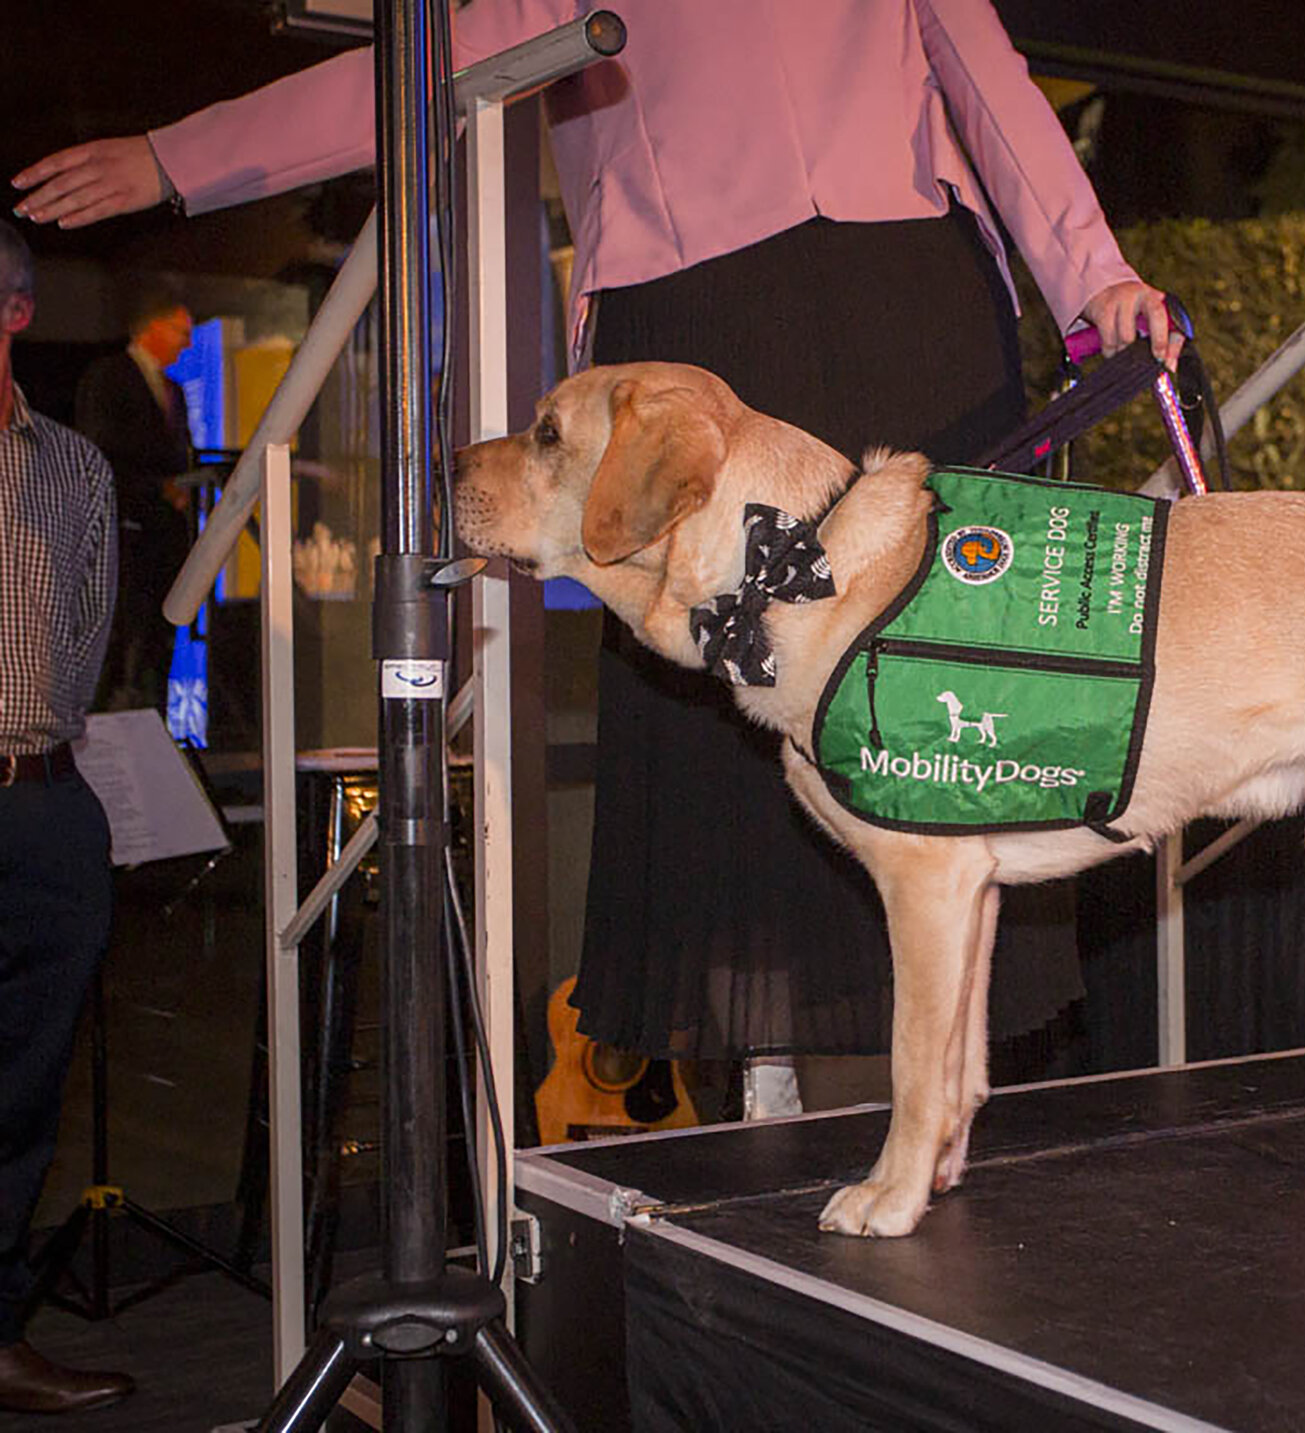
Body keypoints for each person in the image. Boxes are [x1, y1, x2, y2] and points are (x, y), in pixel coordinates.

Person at [14, 4, 1180, 1105]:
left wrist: (1097, 278)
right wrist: (177, 158)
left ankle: (936, 1081)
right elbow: (451, 51)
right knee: (740, 713)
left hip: (867, 304)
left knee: (941, 685)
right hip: (740, 318)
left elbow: (974, 66)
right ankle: (771, 1090)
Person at [0, 218, 133, 1415]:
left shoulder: (73, 468)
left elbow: (86, 645)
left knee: (21, 1098)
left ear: (15, 312)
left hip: (40, 810)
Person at [72, 289, 195, 715]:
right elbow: (99, 452)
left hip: (163, 541)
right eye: (181, 331)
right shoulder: (109, 377)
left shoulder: (174, 391)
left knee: (157, 645)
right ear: (153, 328)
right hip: (124, 537)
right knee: (121, 643)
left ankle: (152, 727)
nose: (187, 343)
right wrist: (152, 488)